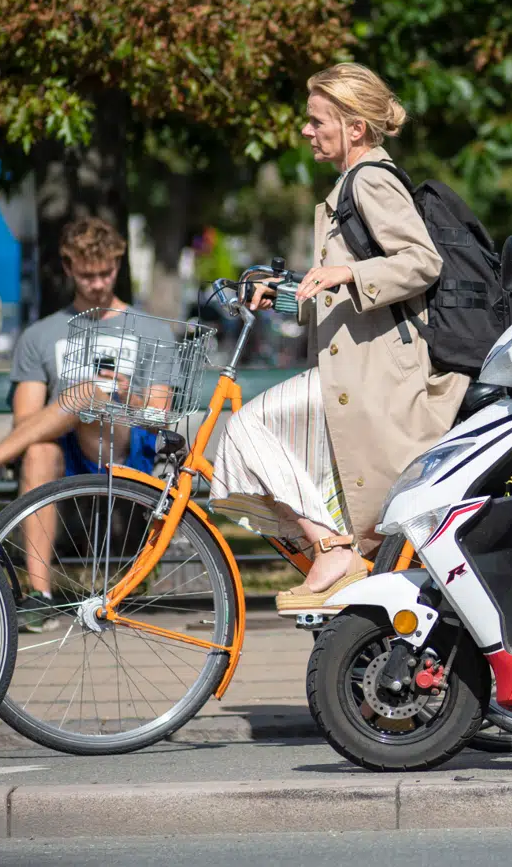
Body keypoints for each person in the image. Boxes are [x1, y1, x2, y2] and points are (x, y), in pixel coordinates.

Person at [208, 63, 469, 616]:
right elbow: (331, 293)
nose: (306, 131)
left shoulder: (370, 179)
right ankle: (336, 553)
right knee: (266, 443)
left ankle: (332, 550)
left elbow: (423, 262)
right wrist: (282, 294)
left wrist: (349, 274)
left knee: (248, 429)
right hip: (354, 372)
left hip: (377, 381)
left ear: (353, 127)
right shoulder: (346, 188)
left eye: (316, 120)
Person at [0, 217, 171, 631]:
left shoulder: (152, 329)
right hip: (64, 452)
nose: (97, 284)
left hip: (127, 444)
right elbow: (25, 420)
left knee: (92, 394)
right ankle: (40, 595)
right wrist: (77, 401)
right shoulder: (41, 334)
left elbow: (158, 413)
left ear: (118, 265)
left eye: (106, 272)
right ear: (68, 268)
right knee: (37, 448)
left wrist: (121, 395)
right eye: (87, 275)